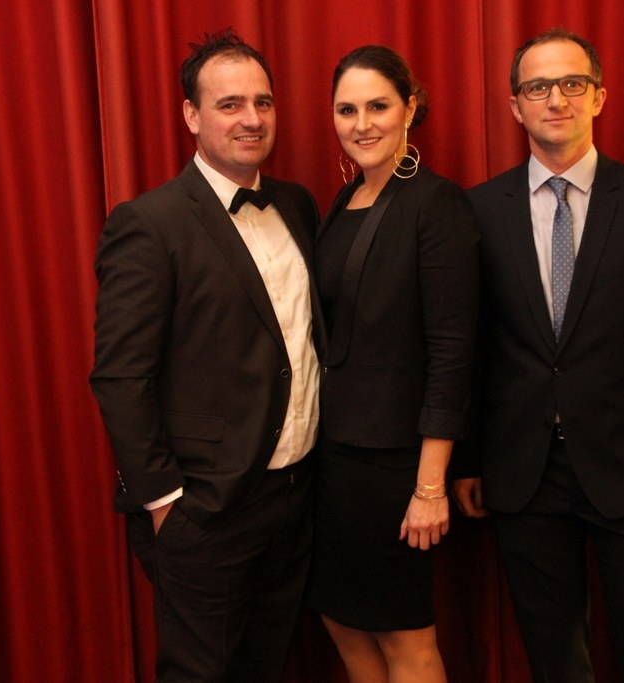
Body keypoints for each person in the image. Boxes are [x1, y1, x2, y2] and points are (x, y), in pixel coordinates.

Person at [452, 28, 624, 682]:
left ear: (599, 96)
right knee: (554, 662)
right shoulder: (480, 209)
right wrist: (466, 459)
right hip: (523, 474)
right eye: (537, 87)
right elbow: (471, 349)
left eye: (572, 84)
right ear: (515, 105)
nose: (556, 100)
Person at [89, 29, 323, 682]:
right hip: (205, 508)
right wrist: (167, 504)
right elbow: (121, 376)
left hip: (295, 495)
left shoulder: (297, 205)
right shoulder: (149, 223)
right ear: (191, 115)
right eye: (230, 104)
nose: (252, 118)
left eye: (263, 102)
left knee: (267, 667)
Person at [307, 46, 479, 683]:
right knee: (345, 625)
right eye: (346, 110)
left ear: (410, 108)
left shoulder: (436, 203)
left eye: (378, 106)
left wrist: (430, 485)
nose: (362, 124)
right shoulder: (345, 198)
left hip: (395, 465)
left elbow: (453, 351)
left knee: (404, 636)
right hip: (332, 458)